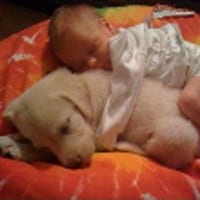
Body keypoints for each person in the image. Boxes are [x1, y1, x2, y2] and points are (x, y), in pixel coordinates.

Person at [48, 4, 200, 150]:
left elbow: (125, 93)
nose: (92, 63)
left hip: (196, 66)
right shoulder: (108, 66)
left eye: (92, 48)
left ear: (107, 26)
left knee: (189, 100)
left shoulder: (125, 46)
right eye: (81, 64)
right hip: (187, 80)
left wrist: (105, 135)